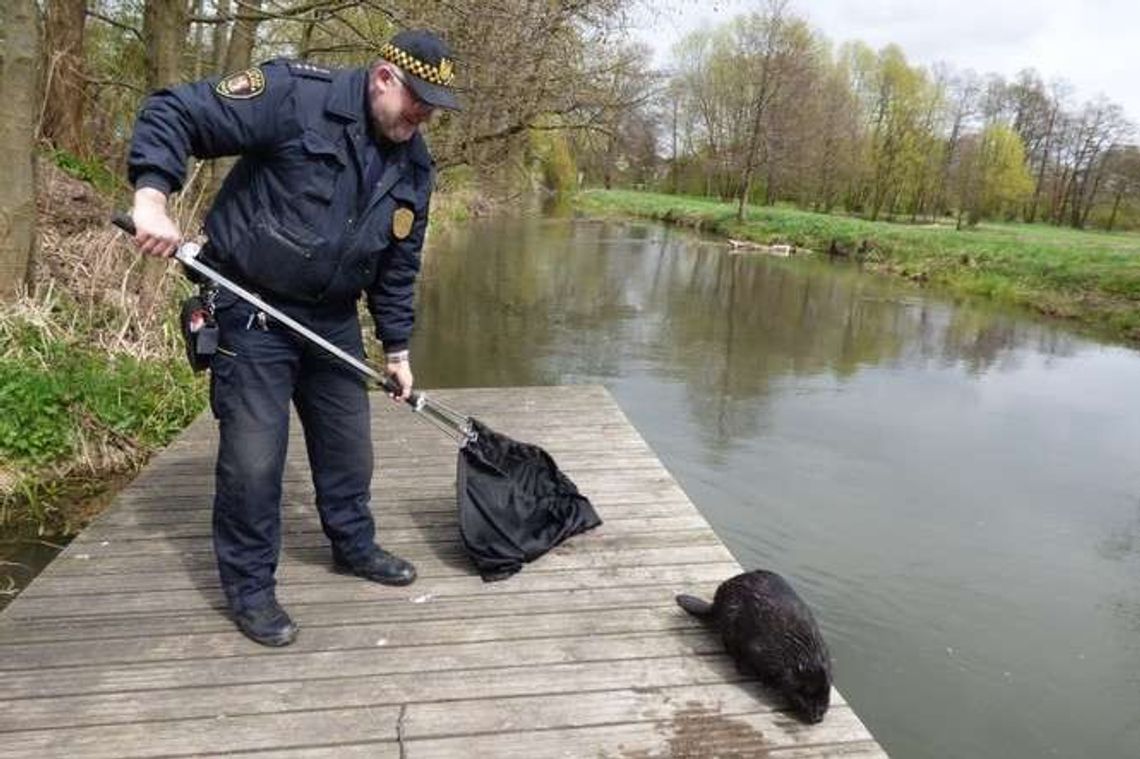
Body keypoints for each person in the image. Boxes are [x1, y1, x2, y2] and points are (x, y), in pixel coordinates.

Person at [124, 30, 461, 647]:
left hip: (331, 317)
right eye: (417, 100)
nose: (424, 116)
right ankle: (251, 589)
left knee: (349, 450)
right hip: (251, 308)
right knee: (254, 463)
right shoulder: (291, 95)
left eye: (435, 107)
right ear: (383, 77)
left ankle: (353, 545)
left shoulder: (415, 165)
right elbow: (174, 110)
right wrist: (151, 198)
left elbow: (398, 266)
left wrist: (397, 349)